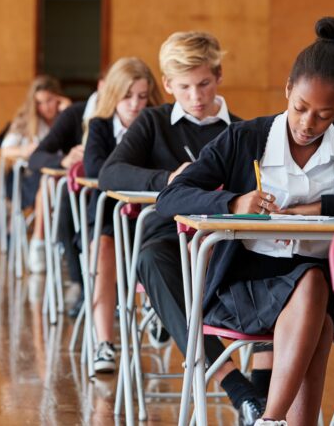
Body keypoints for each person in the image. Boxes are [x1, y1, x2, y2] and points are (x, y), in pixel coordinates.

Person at [157, 17, 334, 426]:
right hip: (246, 285)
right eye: (300, 108)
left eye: (324, 116)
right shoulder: (245, 138)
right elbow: (172, 196)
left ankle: (271, 422)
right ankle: (273, 420)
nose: (308, 124)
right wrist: (234, 202)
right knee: (313, 294)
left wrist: (314, 209)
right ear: (288, 90)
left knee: (316, 297)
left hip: (330, 288)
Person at [98, 31, 272, 423]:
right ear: (168, 85)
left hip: (229, 247)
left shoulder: (242, 131)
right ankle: (238, 389)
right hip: (170, 248)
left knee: (277, 262)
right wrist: (169, 180)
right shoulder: (154, 122)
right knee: (149, 259)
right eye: (185, 88)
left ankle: (264, 395)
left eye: (204, 84)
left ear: (219, 76)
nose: (196, 96)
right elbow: (110, 173)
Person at [82, 56, 163, 373]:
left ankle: (159, 307)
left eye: (142, 96)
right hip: (108, 217)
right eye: (128, 96)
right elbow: (96, 170)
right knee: (104, 248)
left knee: (161, 243)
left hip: (149, 216)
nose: (135, 104)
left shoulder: (157, 123)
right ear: (113, 94)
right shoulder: (100, 126)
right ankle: (105, 342)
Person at [1, 75, 70, 273]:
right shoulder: (26, 120)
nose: (46, 107)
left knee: (55, 183)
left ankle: (50, 243)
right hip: (31, 178)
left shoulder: (65, 119)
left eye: (50, 100)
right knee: (47, 182)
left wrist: (68, 109)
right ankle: (39, 242)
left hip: (61, 177)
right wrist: (25, 151)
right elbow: (6, 150)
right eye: (40, 102)